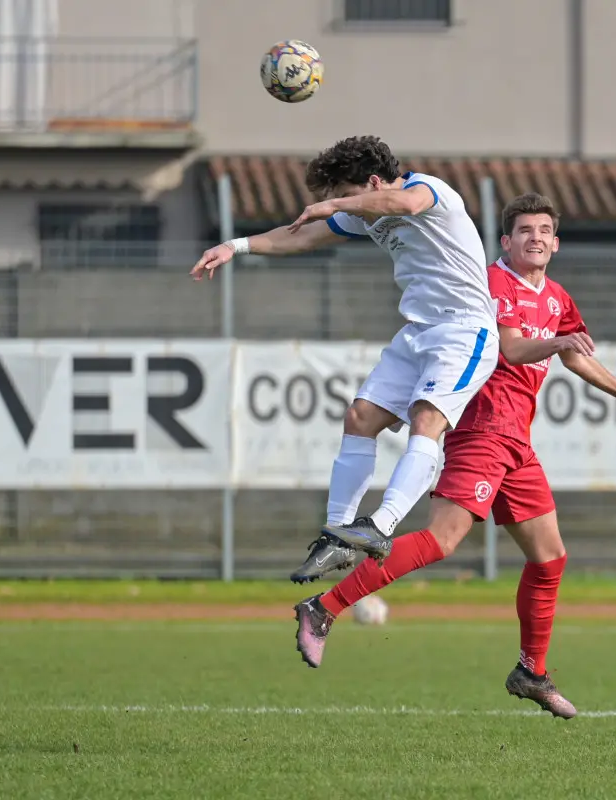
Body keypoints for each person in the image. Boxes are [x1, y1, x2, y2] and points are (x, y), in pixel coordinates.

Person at [292, 193, 616, 719]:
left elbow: (575, 352)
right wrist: (558, 346)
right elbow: (512, 348)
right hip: (481, 431)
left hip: (517, 443)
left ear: (556, 244)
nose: (535, 237)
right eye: (524, 230)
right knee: (441, 540)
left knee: (549, 558)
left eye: (544, 230)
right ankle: (323, 609)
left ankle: (530, 672)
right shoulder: (492, 284)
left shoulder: (556, 297)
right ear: (505, 242)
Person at [191, 136, 501, 581]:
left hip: (464, 330)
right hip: (417, 332)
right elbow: (298, 238)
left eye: (345, 194)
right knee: (359, 417)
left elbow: (409, 204)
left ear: (374, 182)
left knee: (426, 421)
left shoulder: (430, 190)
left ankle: (379, 526)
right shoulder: (367, 215)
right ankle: (337, 536)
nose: (339, 205)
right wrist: (235, 247)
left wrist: (337, 205)